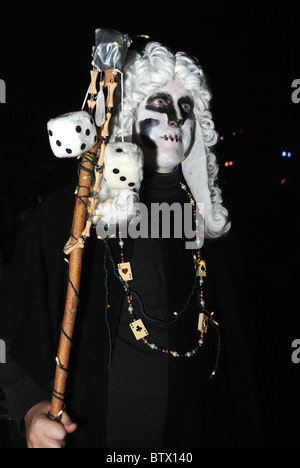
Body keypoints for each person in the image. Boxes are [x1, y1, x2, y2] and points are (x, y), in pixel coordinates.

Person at [0, 41, 262, 448]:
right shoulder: (68, 218)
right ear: (127, 114)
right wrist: (31, 408)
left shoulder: (212, 229)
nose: (175, 117)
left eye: (187, 107)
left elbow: (239, 371)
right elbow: (13, 332)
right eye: (159, 102)